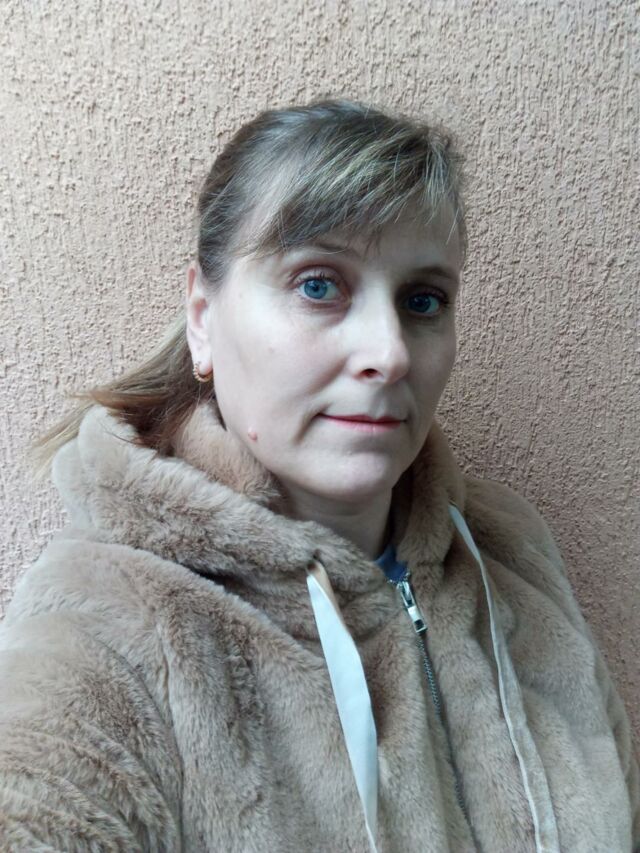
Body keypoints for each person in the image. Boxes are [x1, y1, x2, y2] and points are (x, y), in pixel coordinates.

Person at [0, 97, 637, 853]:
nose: (390, 354)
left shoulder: (507, 551)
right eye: (318, 284)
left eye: (423, 300)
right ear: (203, 317)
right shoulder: (105, 627)